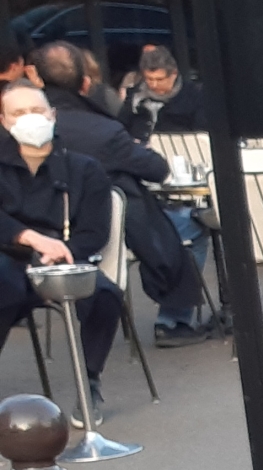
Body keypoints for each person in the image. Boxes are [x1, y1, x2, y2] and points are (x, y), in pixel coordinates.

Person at [29, 43, 208, 345]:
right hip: (103, 240)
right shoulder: (101, 131)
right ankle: (174, 322)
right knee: (193, 225)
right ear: (85, 84)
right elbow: (157, 169)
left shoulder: (19, 135)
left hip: (32, 244)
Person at [0, 84, 124, 416]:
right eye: (18, 113)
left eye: (37, 111)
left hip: (65, 261)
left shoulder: (84, 169)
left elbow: (95, 232)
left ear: (53, 115)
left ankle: (89, 383)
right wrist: (28, 238)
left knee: (105, 295)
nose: (30, 119)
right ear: (3, 120)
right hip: (8, 259)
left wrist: (59, 252)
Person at [119, 46, 204, 138]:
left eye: (160, 79)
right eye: (149, 79)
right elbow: (122, 127)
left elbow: (201, 133)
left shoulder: (193, 95)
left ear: (174, 74)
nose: (154, 84)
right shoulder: (134, 95)